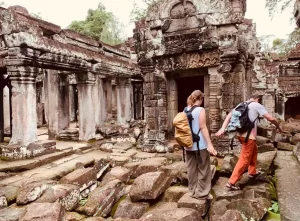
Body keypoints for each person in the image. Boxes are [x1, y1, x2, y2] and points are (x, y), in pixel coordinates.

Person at [215, 93, 283, 190]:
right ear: (258, 99)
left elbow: (229, 116)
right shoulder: (257, 105)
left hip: (239, 134)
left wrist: (222, 128)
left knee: (254, 149)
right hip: (249, 136)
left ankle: (252, 172)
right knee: (244, 159)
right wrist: (278, 126)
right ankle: (231, 183)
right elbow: (270, 118)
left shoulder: (241, 104)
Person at [184, 90, 217, 217]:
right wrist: (209, 144)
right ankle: (202, 193)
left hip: (188, 145)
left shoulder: (185, 109)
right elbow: (203, 127)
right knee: (203, 168)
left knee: (191, 168)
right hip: (200, 145)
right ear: (201, 98)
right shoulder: (200, 110)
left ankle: (192, 191)